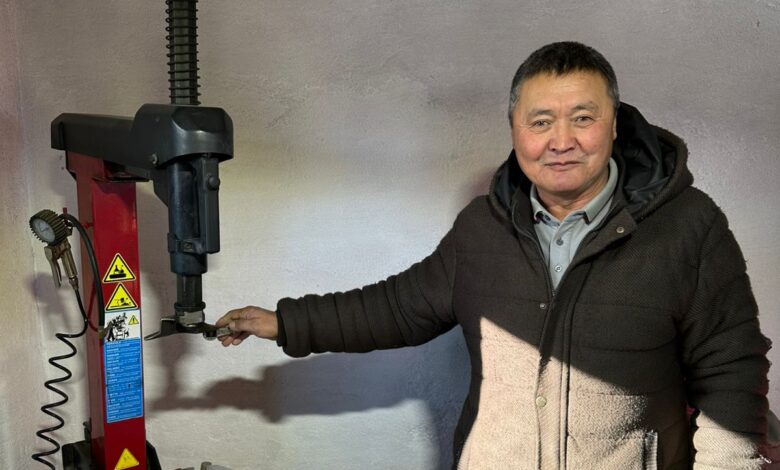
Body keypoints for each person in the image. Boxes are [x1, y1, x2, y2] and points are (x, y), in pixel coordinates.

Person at [216, 42, 771, 469]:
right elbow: (398, 308)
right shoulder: (481, 227)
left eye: (583, 117)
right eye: (540, 121)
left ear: (614, 124)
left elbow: (731, 369)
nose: (561, 141)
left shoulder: (689, 225)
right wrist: (283, 321)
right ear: (514, 129)